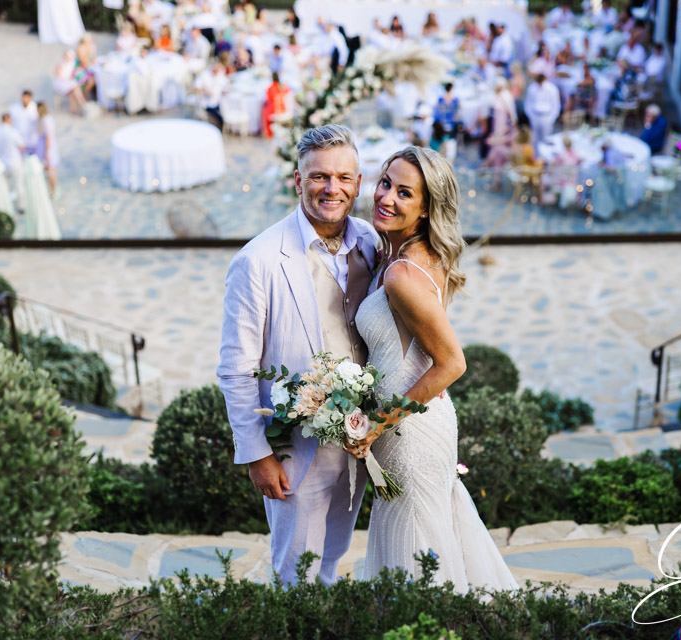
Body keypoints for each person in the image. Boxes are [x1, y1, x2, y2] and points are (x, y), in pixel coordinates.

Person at [346, 146, 518, 592]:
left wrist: (377, 426)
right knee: (428, 536)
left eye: (405, 193)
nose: (387, 198)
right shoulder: (414, 255)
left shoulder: (402, 273)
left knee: (417, 549)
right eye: (386, 183)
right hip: (419, 420)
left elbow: (452, 363)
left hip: (408, 432)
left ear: (425, 210)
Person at [217, 124, 378, 586]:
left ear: (358, 184)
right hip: (294, 449)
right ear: (298, 180)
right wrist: (254, 453)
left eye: (344, 178)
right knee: (295, 572)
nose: (333, 188)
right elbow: (236, 368)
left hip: (359, 440)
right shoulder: (259, 259)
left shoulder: (370, 241)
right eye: (319, 176)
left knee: (333, 556)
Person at [483, 79, 517, 191]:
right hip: (498, 125)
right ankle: (491, 174)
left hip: (501, 126)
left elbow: (511, 113)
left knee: (497, 150)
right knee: (496, 149)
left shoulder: (506, 97)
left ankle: (487, 169)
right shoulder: (498, 96)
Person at [0, 113, 26, 211]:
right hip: (15, 162)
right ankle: (21, 206)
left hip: (2, 163)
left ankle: (6, 206)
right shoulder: (13, 132)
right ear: (9, 120)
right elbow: (22, 146)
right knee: (19, 185)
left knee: (5, 187)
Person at [524, 74, 560, 148]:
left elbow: (556, 105)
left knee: (546, 139)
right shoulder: (532, 88)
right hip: (535, 116)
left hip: (546, 116)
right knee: (534, 140)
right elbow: (528, 103)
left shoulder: (552, 89)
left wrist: (551, 118)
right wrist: (531, 116)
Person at [34, 102, 60, 199]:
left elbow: (48, 137)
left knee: (50, 169)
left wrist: (46, 152)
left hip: (47, 147)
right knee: (48, 168)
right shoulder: (48, 118)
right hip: (46, 146)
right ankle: (52, 188)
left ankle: (54, 189)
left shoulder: (45, 120)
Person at [195, 61, 228, 129]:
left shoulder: (221, 76)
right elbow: (195, 88)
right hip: (207, 104)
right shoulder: (204, 75)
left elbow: (225, 88)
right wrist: (205, 91)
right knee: (219, 118)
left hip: (219, 102)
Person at [53, 50, 86, 115]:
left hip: (68, 82)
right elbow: (58, 75)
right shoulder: (61, 64)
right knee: (75, 87)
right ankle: (83, 105)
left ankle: (73, 109)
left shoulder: (72, 63)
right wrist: (68, 79)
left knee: (74, 89)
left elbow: (78, 68)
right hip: (61, 83)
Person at [9, 90, 39, 155]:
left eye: (27, 97)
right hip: (18, 140)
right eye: (24, 97)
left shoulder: (35, 108)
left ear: (31, 98)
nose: (25, 99)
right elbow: (10, 124)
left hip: (32, 140)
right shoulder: (14, 108)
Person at [262, 72, 291, 138]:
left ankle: (269, 134)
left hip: (274, 110)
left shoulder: (270, 88)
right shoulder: (283, 86)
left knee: (264, 112)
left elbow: (268, 98)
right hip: (283, 109)